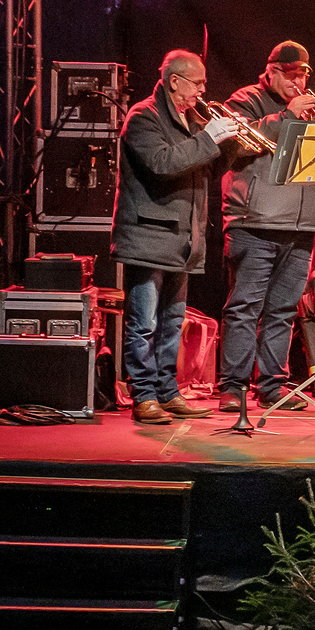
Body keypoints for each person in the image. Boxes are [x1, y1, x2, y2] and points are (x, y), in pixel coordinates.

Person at [110, 49, 240, 424]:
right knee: (144, 323)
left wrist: (228, 144)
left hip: (181, 239)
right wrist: (208, 138)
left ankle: (167, 391)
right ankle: (144, 395)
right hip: (149, 237)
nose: (202, 90)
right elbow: (163, 164)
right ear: (174, 81)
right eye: (197, 83)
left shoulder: (189, 120)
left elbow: (200, 172)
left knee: (171, 322)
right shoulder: (143, 117)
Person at [215, 41, 315, 414]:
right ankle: (232, 387)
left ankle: (272, 387)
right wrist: (286, 117)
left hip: (299, 225)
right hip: (255, 222)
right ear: (272, 72)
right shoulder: (245, 99)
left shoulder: (307, 106)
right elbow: (236, 143)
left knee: (282, 310)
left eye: (304, 75)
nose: (299, 83)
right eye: (292, 75)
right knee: (245, 308)